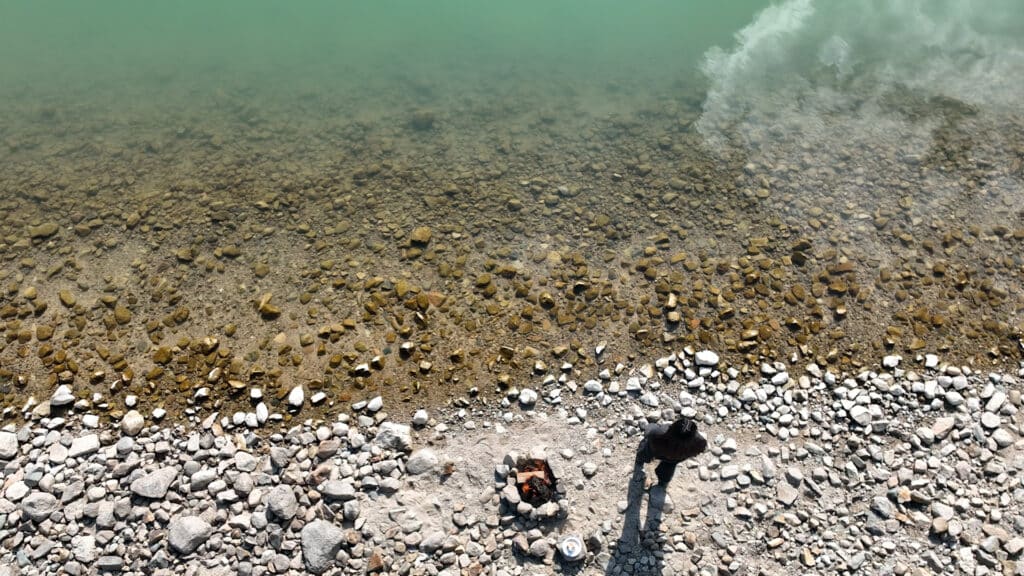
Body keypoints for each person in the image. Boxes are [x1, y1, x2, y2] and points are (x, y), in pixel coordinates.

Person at [635, 416, 708, 486]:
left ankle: (639, 461)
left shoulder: (660, 433)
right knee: (667, 471)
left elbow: (649, 433)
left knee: (645, 450)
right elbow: (699, 451)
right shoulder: (699, 442)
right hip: (675, 459)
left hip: (656, 451)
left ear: (671, 428)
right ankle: (662, 482)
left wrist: (651, 425)